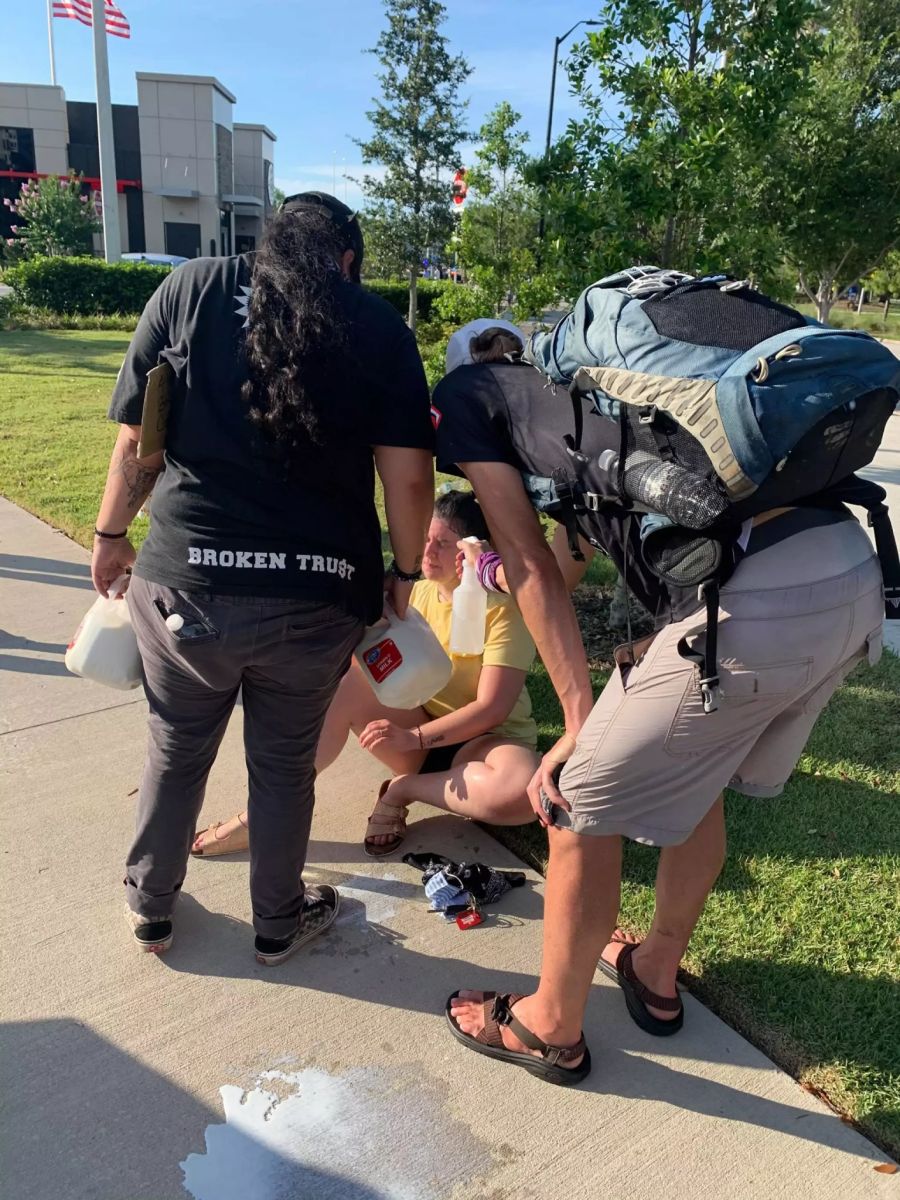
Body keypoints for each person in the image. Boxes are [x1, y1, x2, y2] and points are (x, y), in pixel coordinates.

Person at [430, 322, 884, 1084]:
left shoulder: (472, 401)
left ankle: (549, 1028)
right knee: (696, 775)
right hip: (847, 576)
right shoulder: (600, 393)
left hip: (754, 604)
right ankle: (655, 968)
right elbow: (568, 561)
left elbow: (536, 568)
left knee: (572, 801)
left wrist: (578, 722)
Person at [91, 192, 434, 964]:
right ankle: (277, 924)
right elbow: (410, 480)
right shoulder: (377, 325)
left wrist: (112, 534)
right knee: (283, 766)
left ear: (266, 244)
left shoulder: (190, 288)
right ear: (347, 260)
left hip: (187, 584)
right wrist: (406, 573)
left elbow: (137, 443)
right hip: (318, 598)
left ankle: (151, 905)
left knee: (176, 745)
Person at [190, 487, 540, 858]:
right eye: (426, 538)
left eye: (444, 543)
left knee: (520, 792)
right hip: (415, 724)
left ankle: (403, 790)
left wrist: (415, 738)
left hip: (483, 741)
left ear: (473, 549)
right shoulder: (415, 594)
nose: (428, 551)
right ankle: (261, 815)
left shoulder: (503, 610)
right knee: (346, 684)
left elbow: (492, 709)